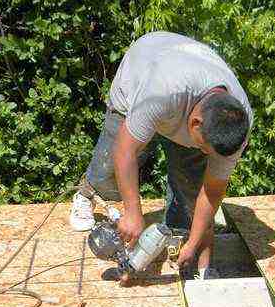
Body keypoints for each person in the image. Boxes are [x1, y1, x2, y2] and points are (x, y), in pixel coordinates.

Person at [69, 31, 253, 279]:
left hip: (183, 91)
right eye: (203, 147)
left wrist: (194, 245)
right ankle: (87, 193)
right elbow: (125, 151)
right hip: (143, 68)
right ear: (196, 123)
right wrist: (133, 213)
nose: (205, 154)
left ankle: (184, 241)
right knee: (110, 166)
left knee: (190, 181)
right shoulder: (162, 91)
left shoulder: (235, 124)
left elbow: (211, 191)